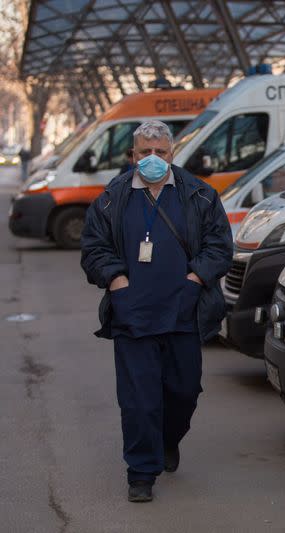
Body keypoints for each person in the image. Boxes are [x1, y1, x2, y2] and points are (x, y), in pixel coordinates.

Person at [80, 120, 233, 502]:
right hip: (132, 315)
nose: (152, 159)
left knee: (184, 392)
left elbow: (219, 246)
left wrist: (195, 281)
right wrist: (117, 284)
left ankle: (167, 439)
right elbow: (94, 249)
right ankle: (141, 473)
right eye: (144, 153)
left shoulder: (199, 195)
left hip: (183, 312)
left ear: (172, 153)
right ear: (132, 156)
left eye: (160, 152)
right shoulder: (113, 198)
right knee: (138, 399)